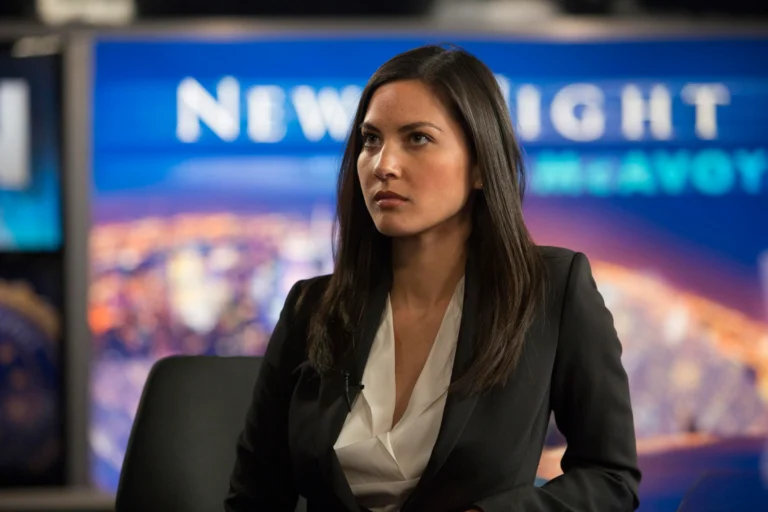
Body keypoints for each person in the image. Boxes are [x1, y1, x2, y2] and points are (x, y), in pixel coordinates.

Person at [225, 45, 641, 512]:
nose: (384, 164)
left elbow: (611, 479)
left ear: (481, 165)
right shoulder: (312, 307)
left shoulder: (552, 291)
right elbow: (254, 498)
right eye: (370, 140)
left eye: (417, 138)